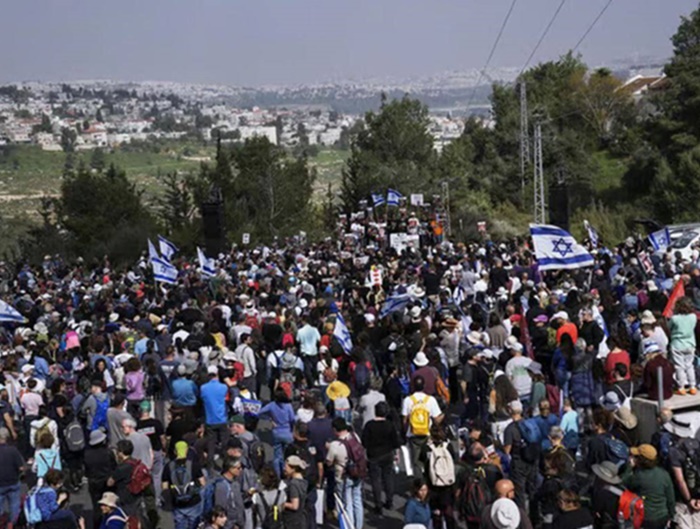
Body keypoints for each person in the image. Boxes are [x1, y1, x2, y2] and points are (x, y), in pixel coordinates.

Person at [362, 401, 401, 514]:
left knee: (376, 480)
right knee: (388, 478)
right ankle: (389, 501)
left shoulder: (369, 425)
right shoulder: (390, 424)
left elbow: (364, 442)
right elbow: (395, 442)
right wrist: (397, 454)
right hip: (388, 454)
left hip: (373, 455)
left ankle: (378, 504)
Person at [402, 375, 444, 479]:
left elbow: (404, 420)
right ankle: (429, 480)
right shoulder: (430, 400)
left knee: (415, 461)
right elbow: (437, 420)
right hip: (427, 434)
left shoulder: (408, 400)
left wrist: (405, 432)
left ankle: (419, 482)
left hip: (413, 434)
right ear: (424, 386)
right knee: (428, 459)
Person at [624, 444, 675, 529]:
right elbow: (670, 498)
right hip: (662, 517)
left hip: (645, 518)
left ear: (640, 460)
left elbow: (623, 483)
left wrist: (629, 468)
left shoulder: (638, 476)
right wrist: (671, 515)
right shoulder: (664, 474)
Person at [326, 418, 364, 529]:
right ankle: (359, 526)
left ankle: (349, 526)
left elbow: (329, 462)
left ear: (335, 429)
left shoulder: (335, 445)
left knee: (346, 504)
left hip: (343, 476)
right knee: (357, 500)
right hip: (358, 473)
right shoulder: (355, 437)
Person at [162, 440, 205, 529]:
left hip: (177, 503)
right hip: (193, 502)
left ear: (175, 451)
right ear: (186, 450)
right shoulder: (193, 464)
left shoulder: (168, 466)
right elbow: (203, 483)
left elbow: (164, 486)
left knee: (179, 524)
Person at [258, 389, 296, 476]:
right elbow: (292, 419)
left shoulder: (272, 405)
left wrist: (269, 419)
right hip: (288, 433)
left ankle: (278, 475)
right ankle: (287, 472)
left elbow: (260, 412)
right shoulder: (288, 406)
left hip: (277, 432)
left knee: (277, 456)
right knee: (288, 455)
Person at [84, 429, 116, 529]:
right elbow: (114, 467)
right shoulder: (108, 452)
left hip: (94, 482)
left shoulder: (87, 454)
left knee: (97, 507)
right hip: (107, 482)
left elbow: (86, 471)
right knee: (110, 505)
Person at [200, 366, 229, 467]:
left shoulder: (203, 388)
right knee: (225, 443)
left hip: (210, 420)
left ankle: (210, 464)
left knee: (211, 444)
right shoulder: (223, 387)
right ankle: (226, 463)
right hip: (222, 418)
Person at [669, 297, 698, 395]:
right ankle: (692, 386)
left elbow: (669, 328)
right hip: (690, 344)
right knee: (690, 366)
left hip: (677, 344)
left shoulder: (674, 318)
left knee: (679, 367)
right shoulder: (693, 317)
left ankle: (681, 387)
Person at [0, 427, 23, 527]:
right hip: (13, 481)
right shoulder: (13, 450)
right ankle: (12, 524)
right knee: (14, 505)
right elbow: (21, 467)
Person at [283, 455, 308, 529]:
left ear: (293, 468)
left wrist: (281, 504)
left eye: (286, 467)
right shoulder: (304, 482)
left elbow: (294, 505)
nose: (284, 469)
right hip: (301, 519)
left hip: (292, 521)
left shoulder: (293, 484)